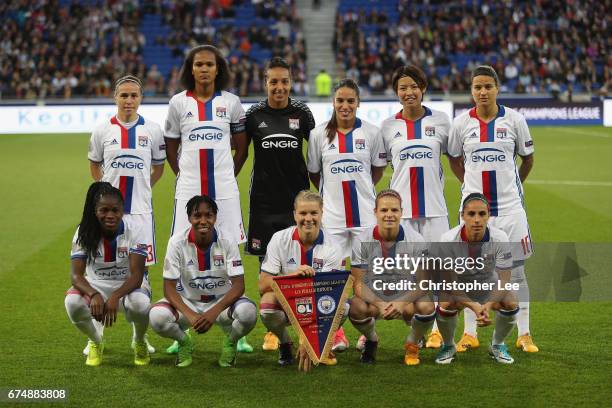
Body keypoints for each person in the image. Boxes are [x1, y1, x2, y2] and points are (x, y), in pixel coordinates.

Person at [164, 44, 251, 353]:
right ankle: (182, 325)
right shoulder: (178, 103)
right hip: (188, 189)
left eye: (209, 65)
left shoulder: (232, 102)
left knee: (228, 252)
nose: (203, 69)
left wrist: (230, 173)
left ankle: (237, 332)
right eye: (198, 64)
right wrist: (182, 174)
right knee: (182, 248)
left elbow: (241, 146)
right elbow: (171, 145)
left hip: (224, 191)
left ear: (218, 70)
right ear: (191, 69)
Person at [448, 65, 538, 353]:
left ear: (497, 88)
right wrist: (472, 194)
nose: (483, 92)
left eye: (488, 86)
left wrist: (515, 187)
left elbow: (528, 159)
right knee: (469, 271)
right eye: (477, 87)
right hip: (474, 213)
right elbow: (454, 160)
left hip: (511, 210)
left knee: (517, 273)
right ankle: (470, 333)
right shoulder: (461, 124)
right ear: (471, 91)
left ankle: (524, 334)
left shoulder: (515, 120)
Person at [307, 78, 386, 352]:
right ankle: (337, 332)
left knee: (365, 279)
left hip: (364, 216)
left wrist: (364, 193)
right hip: (332, 219)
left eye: (350, 101)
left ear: (358, 103)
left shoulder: (373, 133)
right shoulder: (318, 135)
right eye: (340, 100)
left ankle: (366, 332)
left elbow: (376, 172)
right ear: (333, 102)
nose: (345, 105)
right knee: (332, 275)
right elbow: (315, 173)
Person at [87, 74, 164, 356]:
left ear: (141, 98)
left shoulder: (153, 130)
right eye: (124, 95)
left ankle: (138, 336)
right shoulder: (102, 130)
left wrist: (144, 188)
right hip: (107, 215)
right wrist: (102, 192)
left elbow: (158, 167)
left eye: (134, 95)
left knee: (140, 274)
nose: (129, 100)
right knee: (100, 269)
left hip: (140, 214)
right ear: (115, 97)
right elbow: (95, 163)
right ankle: (95, 335)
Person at [245, 57, 316, 352]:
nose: (279, 87)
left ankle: (308, 322)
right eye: (273, 81)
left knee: (303, 261)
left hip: (296, 205)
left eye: (284, 81)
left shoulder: (302, 113)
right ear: (265, 83)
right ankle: (274, 328)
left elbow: (316, 156)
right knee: (268, 266)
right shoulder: (253, 114)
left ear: (291, 82)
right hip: (263, 203)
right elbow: (239, 153)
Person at [379, 65, 452, 349]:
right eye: (402, 88)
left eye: (413, 86)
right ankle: (419, 332)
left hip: (435, 211)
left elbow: (456, 158)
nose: (408, 92)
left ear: (423, 88)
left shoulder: (443, 121)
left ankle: (438, 332)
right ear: (396, 92)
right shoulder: (387, 127)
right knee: (409, 277)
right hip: (402, 216)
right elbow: (379, 167)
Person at [148, 195, 257, 368]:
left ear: (215, 217)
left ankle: (230, 342)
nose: (203, 221)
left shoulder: (228, 240)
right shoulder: (176, 243)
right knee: (157, 317)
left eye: (209, 215)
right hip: (188, 303)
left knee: (248, 313)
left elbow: (238, 285)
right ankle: (184, 342)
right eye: (197, 216)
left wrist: (213, 312)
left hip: (221, 303)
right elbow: (168, 288)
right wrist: (190, 315)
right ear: (190, 218)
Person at [65, 182, 151, 366]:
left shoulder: (136, 229)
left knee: (141, 304)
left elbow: (137, 276)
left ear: (122, 211)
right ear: (95, 210)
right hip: (96, 284)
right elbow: (76, 276)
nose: (110, 215)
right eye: (104, 210)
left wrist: (115, 296)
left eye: (115, 210)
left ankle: (139, 340)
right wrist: (94, 294)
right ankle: (96, 341)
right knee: (72, 303)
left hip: (127, 285)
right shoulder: (84, 232)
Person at [348, 189, 435, 365]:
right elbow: (358, 284)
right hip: (375, 299)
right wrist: (380, 304)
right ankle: (371, 340)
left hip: (405, 300)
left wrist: (401, 303)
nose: (389, 215)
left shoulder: (416, 240)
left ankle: (412, 342)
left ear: (401, 212)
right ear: (375, 212)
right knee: (355, 306)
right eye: (384, 210)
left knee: (427, 305)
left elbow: (424, 283)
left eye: (394, 210)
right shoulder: (361, 240)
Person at [258, 191, 343, 367]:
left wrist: (307, 340)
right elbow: (263, 285)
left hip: (319, 302)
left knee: (344, 307)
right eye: (303, 213)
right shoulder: (279, 239)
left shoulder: (334, 246)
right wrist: (293, 277)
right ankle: (285, 342)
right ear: (295, 214)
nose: (308, 218)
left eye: (314, 213)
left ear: (321, 214)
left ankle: (320, 343)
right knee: (267, 304)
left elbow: (331, 293)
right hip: (289, 301)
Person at [434, 193, 520, 364]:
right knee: (444, 302)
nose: (477, 220)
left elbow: (504, 280)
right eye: (471, 214)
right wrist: (474, 306)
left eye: (482, 214)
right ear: (462, 216)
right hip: (459, 289)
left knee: (511, 301)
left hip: (487, 288)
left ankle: (497, 345)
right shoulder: (448, 239)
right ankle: (449, 346)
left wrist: (486, 306)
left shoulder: (500, 238)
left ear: (489, 215)